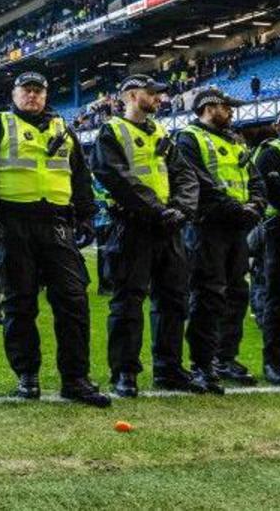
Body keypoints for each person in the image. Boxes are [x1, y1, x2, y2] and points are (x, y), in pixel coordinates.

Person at [0, 71, 111, 407]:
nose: (32, 96)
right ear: (14, 94)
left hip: (57, 224)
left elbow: (80, 176)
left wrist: (86, 215)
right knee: (19, 302)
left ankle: (75, 379)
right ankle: (27, 376)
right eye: (26, 90)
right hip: (13, 223)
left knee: (74, 301)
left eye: (38, 91)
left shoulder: (64, 128)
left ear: (46, 95)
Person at [89, 75, 204, 397]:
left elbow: (184, 174)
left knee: (173, 299)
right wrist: (158, 210)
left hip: (168, 227)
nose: (159, 99)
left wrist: (182, 208)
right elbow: (115, 176)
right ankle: (125, 371)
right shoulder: (111, 131)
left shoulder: (163, 132)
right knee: (128, 300)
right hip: (134, 226)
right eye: (152, 93)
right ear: (131, 95)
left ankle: (169, 368)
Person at [176, 87, 267, 392]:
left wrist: (255, 205)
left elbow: (255, 180)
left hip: (237, 228)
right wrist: (237, 209)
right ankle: (203, 363)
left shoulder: (236, 141)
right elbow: (198, 180)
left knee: (237, 294)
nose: (231, 112)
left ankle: (225, 356)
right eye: (227, 107)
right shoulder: (188, 137)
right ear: (208, 107)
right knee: (208, 294)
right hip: (207, 227)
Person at [252, 113, 280, 385]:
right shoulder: (270, 152)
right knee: (277, 297)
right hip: (277, 229)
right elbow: (270, 190)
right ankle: (274, 361)